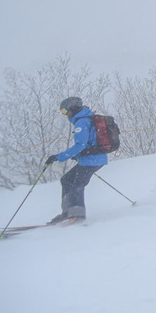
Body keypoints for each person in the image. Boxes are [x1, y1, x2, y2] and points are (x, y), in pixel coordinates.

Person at [44, 96, 107, 224]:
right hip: (92, 159)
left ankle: (77, 216)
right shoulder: (86, 119)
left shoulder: (82, 122)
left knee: (76, 184)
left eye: (65, 111)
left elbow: (81, 145)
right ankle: (67, 212)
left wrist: (58, 157)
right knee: (67, 180)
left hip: (92, 160)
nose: (65, 114)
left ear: (73, 108)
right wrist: (78, 155)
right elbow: (89, 142)